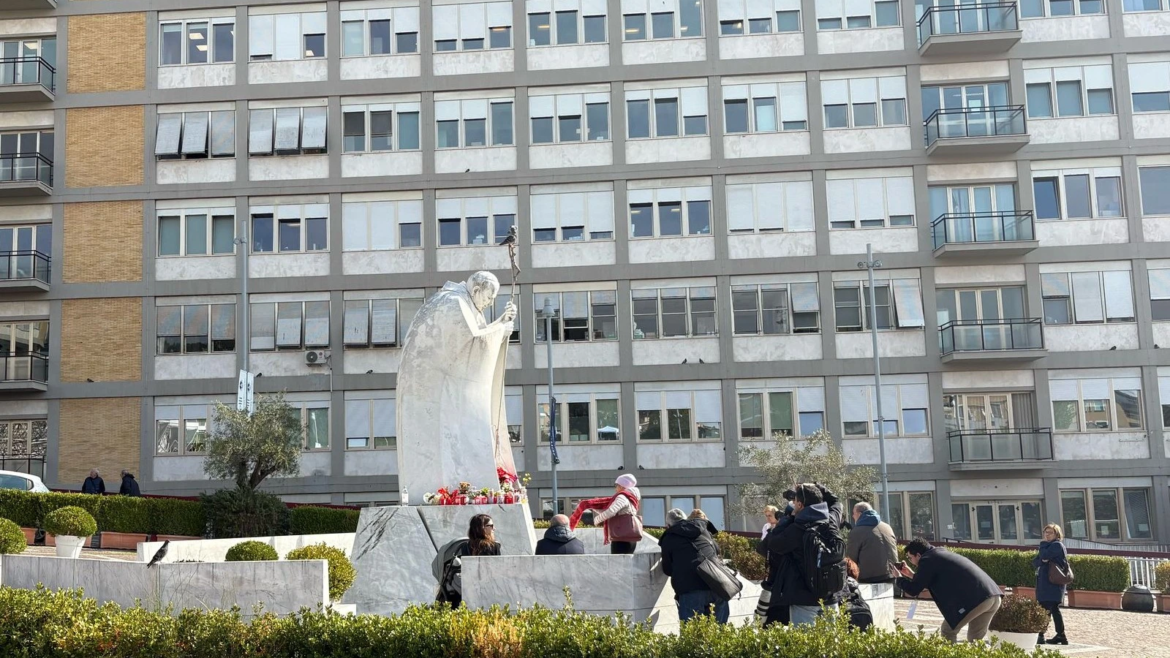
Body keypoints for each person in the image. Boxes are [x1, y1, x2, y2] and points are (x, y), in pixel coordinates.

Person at [765, 483, 848, 626]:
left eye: (795, 501)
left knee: (805, 640)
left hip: (803, 599)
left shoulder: (796, 529)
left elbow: (772, 543)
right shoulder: (831, 522)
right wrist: (816, 486)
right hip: (831, 595)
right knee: (832, 639)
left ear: (800, 505)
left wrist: (788, 518)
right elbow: (835, 502)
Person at [897, 539, 1002, 643]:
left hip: (977, 600)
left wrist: (898, 578)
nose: (910, 561)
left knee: (947, 631)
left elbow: (914, 589)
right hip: (993, 595)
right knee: (976, 639)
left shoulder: (927, 559)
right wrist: (911, 575)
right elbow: (926, 580)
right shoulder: (939, 554)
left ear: (918, 555)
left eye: (910, 558)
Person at [659, 508, 729, 624]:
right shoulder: (702, 529)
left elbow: (667, 569)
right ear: (686, 520)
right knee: (720, 631)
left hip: (690, 589)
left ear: (668, 525)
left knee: (693, 633)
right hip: (717, 585)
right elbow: (716, 550)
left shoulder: (668, 538)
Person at [569, 474, 641, 554]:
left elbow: (611, 511)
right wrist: (592, 507)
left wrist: (597, 519)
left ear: (621, 486)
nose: (615, 488)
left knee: (617, 560)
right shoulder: (631, 497)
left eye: (616, 485)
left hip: (621, 537)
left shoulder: (622, 497)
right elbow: (613, 512)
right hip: (630, 537)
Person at [845, 502, 898, 583]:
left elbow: (851, 560)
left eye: (854, 513)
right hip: (892, 575)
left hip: (869, 579)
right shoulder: (887, 527)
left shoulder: (857, 532)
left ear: (859, 514)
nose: (852, 516)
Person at [1034, 523, 1069, 645]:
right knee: (1052, 608)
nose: (1047, 535)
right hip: (1046, 583)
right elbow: (1036, 561)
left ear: (1057, 534)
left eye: (1050, 532)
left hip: (1053, 583)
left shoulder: (1056, 545)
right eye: (1046, 532)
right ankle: (1060, 635)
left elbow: (1044, 556)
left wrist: (1043, 548)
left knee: (1047, 608)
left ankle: (1041, 635)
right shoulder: (1048, 546)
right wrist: (1043, 559)